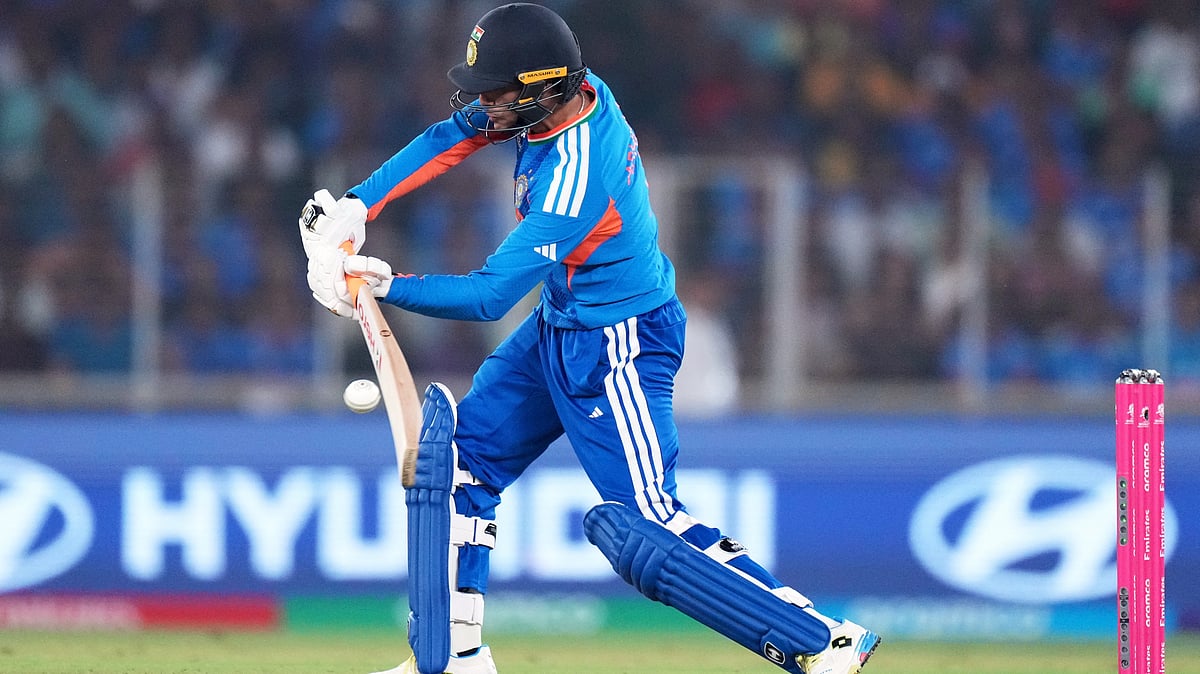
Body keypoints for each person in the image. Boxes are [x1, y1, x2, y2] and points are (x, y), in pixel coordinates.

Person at [298, 4, 880, 674]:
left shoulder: (577, 173)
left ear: (543, 88)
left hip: (619, 346)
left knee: (645, 528)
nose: (483, 104)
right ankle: (453, 662)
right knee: (454, 467)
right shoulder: (557, 96)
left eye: (496, 91)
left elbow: (490, 296)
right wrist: (358, 205)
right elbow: (447, 136)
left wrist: (384, 285)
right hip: (561, 323)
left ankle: (822, 640)